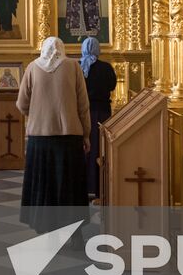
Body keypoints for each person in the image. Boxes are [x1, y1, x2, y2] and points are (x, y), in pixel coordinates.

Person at [17, 37, 90, 231]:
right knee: (71, 186)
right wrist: (86, 134)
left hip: (39, 139)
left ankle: (43, 228)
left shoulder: (32, 68)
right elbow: (83, 105)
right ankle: (74, 234)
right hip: (69, 138)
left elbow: (22, 103)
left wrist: (37, 115)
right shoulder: (73, 66)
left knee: (43, 184)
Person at [80, 37, 117, 198]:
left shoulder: (79, 67)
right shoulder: (106, 67)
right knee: (100, 148)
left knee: (85, 148)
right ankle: (100, 185)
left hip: (84, 112)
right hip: (103, 112)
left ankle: (83, 185)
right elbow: (112, 85)